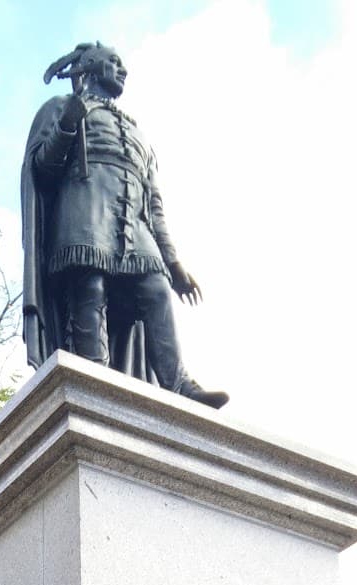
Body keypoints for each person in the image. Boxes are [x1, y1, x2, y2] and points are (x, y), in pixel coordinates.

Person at [22, 41, 228, 407]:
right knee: (90, 288)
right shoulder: (61, 107)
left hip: (135, 228)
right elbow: (43, 168)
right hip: (82, 219)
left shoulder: (137, 132)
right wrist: (69, 122)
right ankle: (94, 376)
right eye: (114, 62)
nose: (123, 70)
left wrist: (173, 262)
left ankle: (177, 383)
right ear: (91, 65)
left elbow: (154, 202)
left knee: (156, 289)